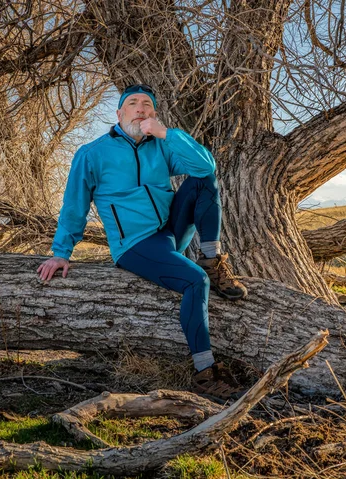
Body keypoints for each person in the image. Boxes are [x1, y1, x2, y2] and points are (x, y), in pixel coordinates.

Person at [37, 84, 247, 401]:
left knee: (203, 180)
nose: (140, 108)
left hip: (170, 232)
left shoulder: (160, 146)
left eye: (146, 104)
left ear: (153, 114)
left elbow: (206, 167)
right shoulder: (92, 154)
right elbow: (74, 205)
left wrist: (167, 133)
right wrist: (61, 253)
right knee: (195, 282)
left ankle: (211, 259)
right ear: (119, 113)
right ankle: (205, 373)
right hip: (135, 244)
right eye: (132, 103)